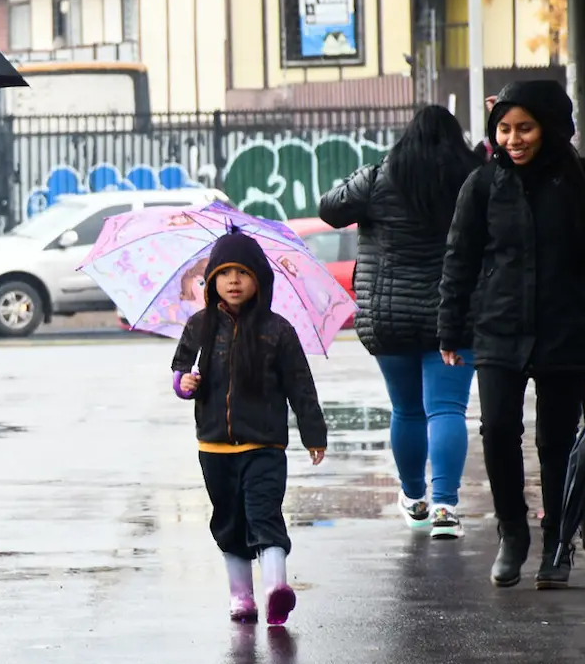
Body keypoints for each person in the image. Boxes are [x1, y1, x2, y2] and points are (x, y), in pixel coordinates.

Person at [439, 79, 585, 589]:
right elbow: (459, 259)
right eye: (505, 129)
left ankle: (558, 543)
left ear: (549, 128)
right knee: (498, 432)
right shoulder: (483, 185)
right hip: (499, 329)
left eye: (524, 127)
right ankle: (513, 532)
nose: (514, 139)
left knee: (557, 443)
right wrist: (449, 326)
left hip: (566, 330)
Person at [319, 105, 481, 539]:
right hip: (455, 314)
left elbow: (329, 209)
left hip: (389, 317)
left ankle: (415, 499)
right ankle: (446, 508)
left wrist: (370, 174)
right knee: (447, 409)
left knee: (407, 410)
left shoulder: (378, 178)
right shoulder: (473, 176)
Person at [170, 229, 328, 626]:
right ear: (212, 282)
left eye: (243, 272)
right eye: (225, 273)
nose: (234, 281)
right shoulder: (199, 327)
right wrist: (184, 384)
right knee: (229, 520)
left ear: (260, 279)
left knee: (264, 514)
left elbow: (300, 386)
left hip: (264, 446)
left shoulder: (277, 330)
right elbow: (180, 370)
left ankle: (276, 588)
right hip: (215, 448)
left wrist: (314, 433)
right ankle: (241, 597)